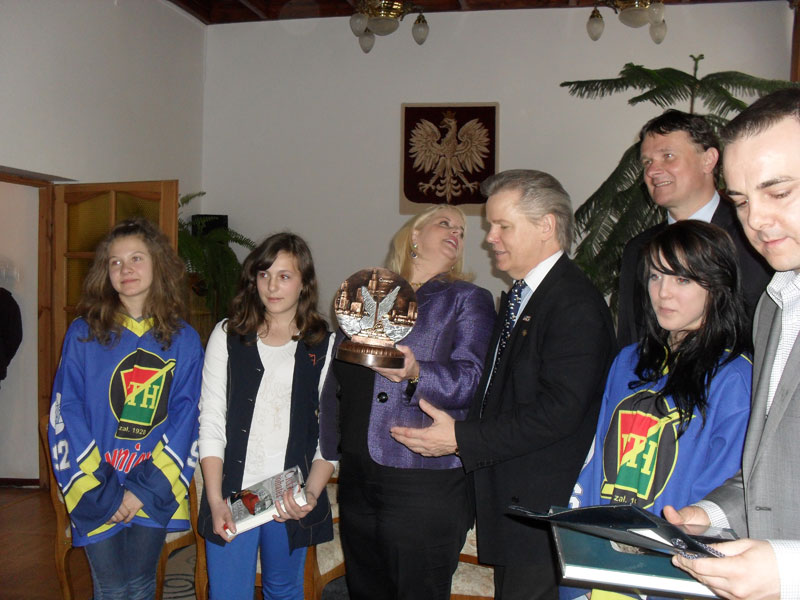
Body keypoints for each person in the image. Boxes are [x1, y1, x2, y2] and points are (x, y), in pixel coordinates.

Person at [391, 170, 617, 600]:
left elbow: (559, 412)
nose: (489, 238)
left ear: (546, 226)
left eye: (502, 226)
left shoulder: (573, 302)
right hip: (516, 506)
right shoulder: (525, 295)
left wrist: (461, 438)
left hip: (543, 513)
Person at [564, 221, 753, 599]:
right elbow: (597, 460)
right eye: (655, 276)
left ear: (717, 287)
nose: (663, 292)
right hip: (606, 561)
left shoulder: (734, 377)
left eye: (682, 279)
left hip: (674, 570)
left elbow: (722, 489)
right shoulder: (628, 362)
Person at [319, 204, 495, 600]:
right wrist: (332, 449)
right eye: (445, 223)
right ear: (414, 235)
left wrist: (417, 372)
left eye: (461, 230)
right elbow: (338, 380)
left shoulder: (466, 299)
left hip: (423, 480)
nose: (456, 233)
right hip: (359, 476)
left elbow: (473, 381)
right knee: (365, 590)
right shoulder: (367, 295)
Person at [665, 88, 800, 600]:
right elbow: (773, 468)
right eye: (741, 202)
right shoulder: (774, 305)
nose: (755, 221)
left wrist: (789, 570)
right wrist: (711, 513)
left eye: (778, 192)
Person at [47, 217, 203, 599]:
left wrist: (141, 491)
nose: (125, 269)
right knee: (112, 587)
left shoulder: (184, 340)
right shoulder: (83, 333)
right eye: (115, 262)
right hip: (96, 484)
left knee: (141, 583)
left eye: (136, 258)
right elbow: (67, 412)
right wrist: (103, 490)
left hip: (153, 484)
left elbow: (188, 418)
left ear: (157, 264)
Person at [197, 232, 335, 600]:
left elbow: (329, 433)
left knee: (284, 591)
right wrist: (215, 500)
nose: (272, 286)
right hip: (232, 494)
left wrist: (310, 493)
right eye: (264, 274)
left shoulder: (324, 345)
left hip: (289, 495)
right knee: (228, 594)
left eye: (284, 276)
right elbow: (211, 421)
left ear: (304, 283)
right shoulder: (227, 335)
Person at [616, 109, 771, 347]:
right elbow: (631, 340)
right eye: (647, 162)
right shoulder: (637, 249)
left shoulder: (754, 237)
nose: (652, 171)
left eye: (668, 156)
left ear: (708, 160)